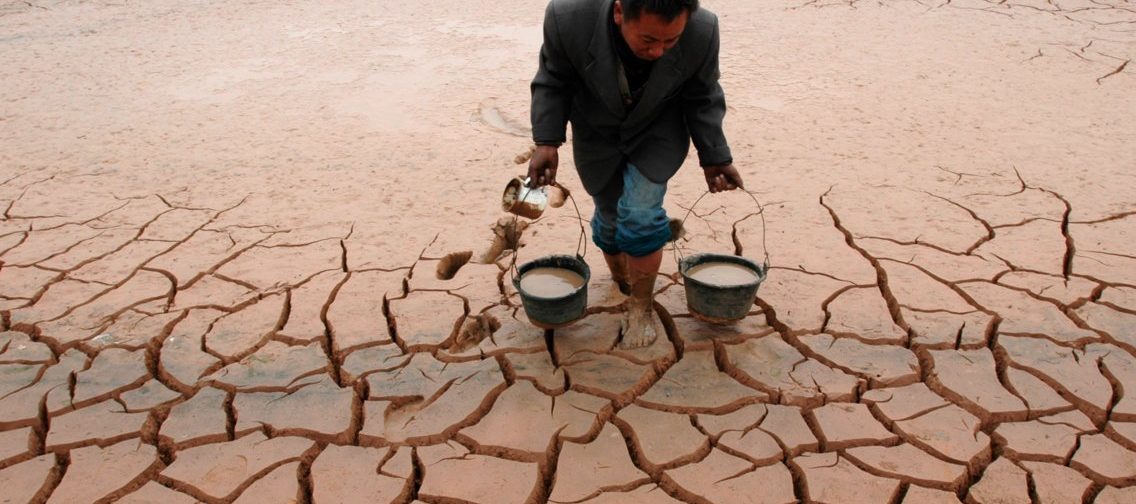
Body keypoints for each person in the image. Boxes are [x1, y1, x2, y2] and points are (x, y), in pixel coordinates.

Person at [528, 0, 744, 348]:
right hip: (597, 132)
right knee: (612, 221)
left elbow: (703, 96)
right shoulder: (567, 19)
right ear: (618, 12)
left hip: (658, 130)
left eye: (670, 42)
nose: (658, 51)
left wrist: (714, 156)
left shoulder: (703, 29)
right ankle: (624, 279)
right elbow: (554, 81)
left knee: (641, 216)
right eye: (648, 40)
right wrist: (547, 142)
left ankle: (640, 305)